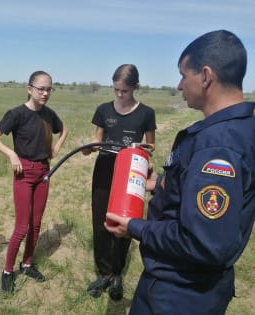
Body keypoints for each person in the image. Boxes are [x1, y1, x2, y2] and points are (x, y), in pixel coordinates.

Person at [105, 30, 255, 315]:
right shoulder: (241, 130)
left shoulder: (218, 146)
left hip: (180, 293)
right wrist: (162, 183)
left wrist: (134, 227)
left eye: (184, 75)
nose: (178, 85)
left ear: (206, 76)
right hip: (194, 288)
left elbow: (204, 242)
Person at [0, 70, 68, 293]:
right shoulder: (16, 114)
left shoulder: (49, 115)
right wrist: (12, 155)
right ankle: (7, 271)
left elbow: (64, 130)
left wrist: (54, 149)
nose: (45, 93)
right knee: (22, 227)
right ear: (29, 89)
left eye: (49, 89)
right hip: (24, 173)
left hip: (43, 172)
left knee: (36, 223)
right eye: (41, 88)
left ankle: (28, 264)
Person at [82, 64, 156, 300]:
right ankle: (104, 273)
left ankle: (117, 274)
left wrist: (139, 149)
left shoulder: (146, 113)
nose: (120, 94)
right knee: (101, 221)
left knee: (123, 224)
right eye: (116, 90)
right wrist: (90, 147)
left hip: (129, 174)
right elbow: (97, 139)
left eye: (124, 90)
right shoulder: (103, 109)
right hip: (104, 170)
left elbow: (151, 146)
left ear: (135, 87)